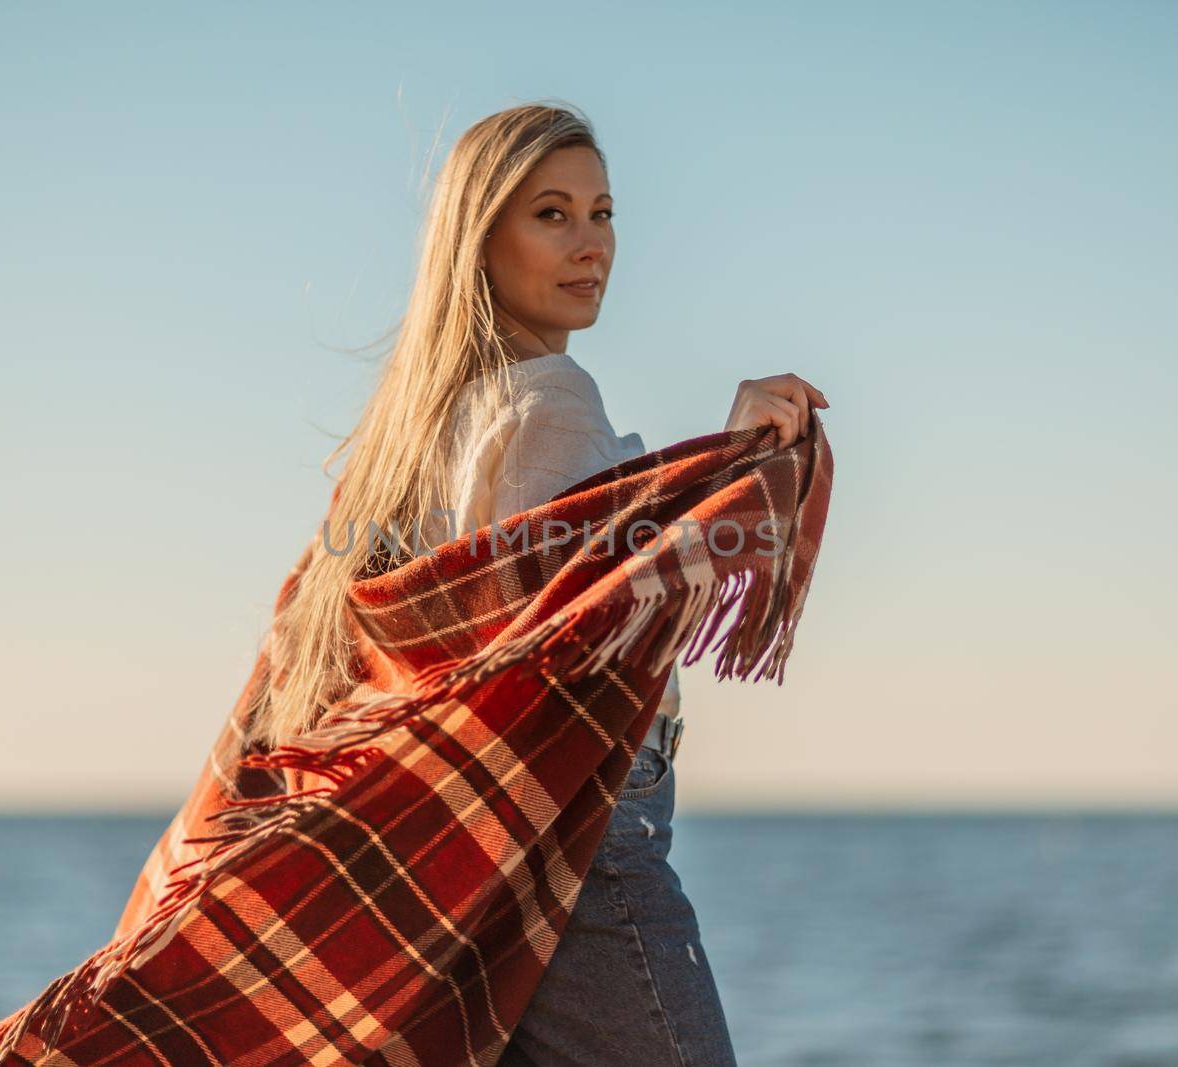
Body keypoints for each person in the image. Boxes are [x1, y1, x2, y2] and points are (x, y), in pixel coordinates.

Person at [244, 100, 827, 1067]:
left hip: (477, 852)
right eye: (550, 214)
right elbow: (587, 630)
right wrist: (728, 463)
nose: (589, 244)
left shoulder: (421, 424)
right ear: (481, 238)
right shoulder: (548, 399)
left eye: (603, 213)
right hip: (588, 834)